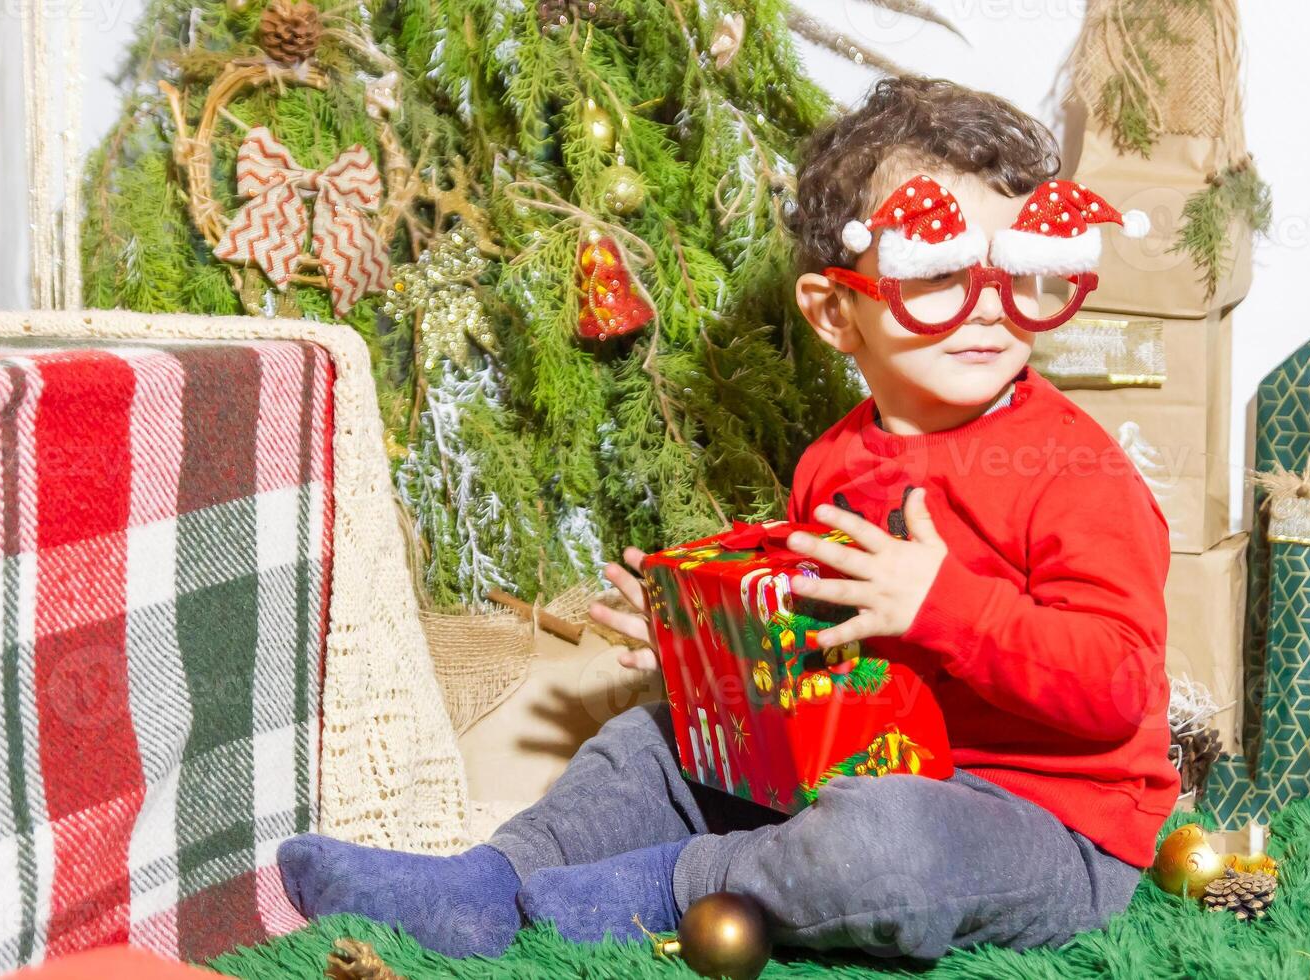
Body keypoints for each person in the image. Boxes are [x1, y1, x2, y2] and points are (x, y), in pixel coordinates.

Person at [276, 76, 1179, 962]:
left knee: (881, 841)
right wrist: (704, 642)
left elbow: (1122, 688)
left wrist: (942, 604)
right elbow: (810, 634)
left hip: (1039, 823)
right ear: (836, 312)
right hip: (847, 762)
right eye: (932, 271)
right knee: (649, 742)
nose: (984, 301)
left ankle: (650, 890)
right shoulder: (834, 460)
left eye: (1012, 265)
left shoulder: (1073, 469)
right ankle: (487, 881)